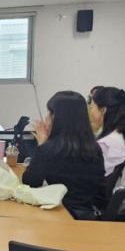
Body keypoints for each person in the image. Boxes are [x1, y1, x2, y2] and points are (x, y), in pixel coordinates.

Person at [23, 91, 105, 219]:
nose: (46, 118)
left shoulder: (50, 150)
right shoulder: (95, 149)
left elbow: (30, 181)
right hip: (88, 215)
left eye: (49, 113)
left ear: (58, 119)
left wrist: (42, 146)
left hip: (58, 214)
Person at [89, 87, 125, 177]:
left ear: (103, 110)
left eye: (92, 107)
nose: (91, 111)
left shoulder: (105, 144)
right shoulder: (121, 136)